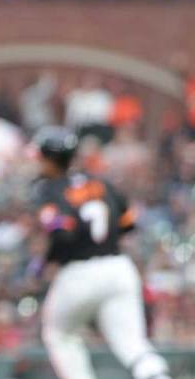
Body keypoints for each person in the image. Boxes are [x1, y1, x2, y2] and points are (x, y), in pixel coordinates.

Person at [32, 126, 171, 379]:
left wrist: (45, 262)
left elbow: (62, 234)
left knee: (58, 334)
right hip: (118, 268)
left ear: (48, 157)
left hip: (78, 272)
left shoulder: (49, 190)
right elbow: (128, 225)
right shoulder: (102, 183)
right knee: (132, 343)